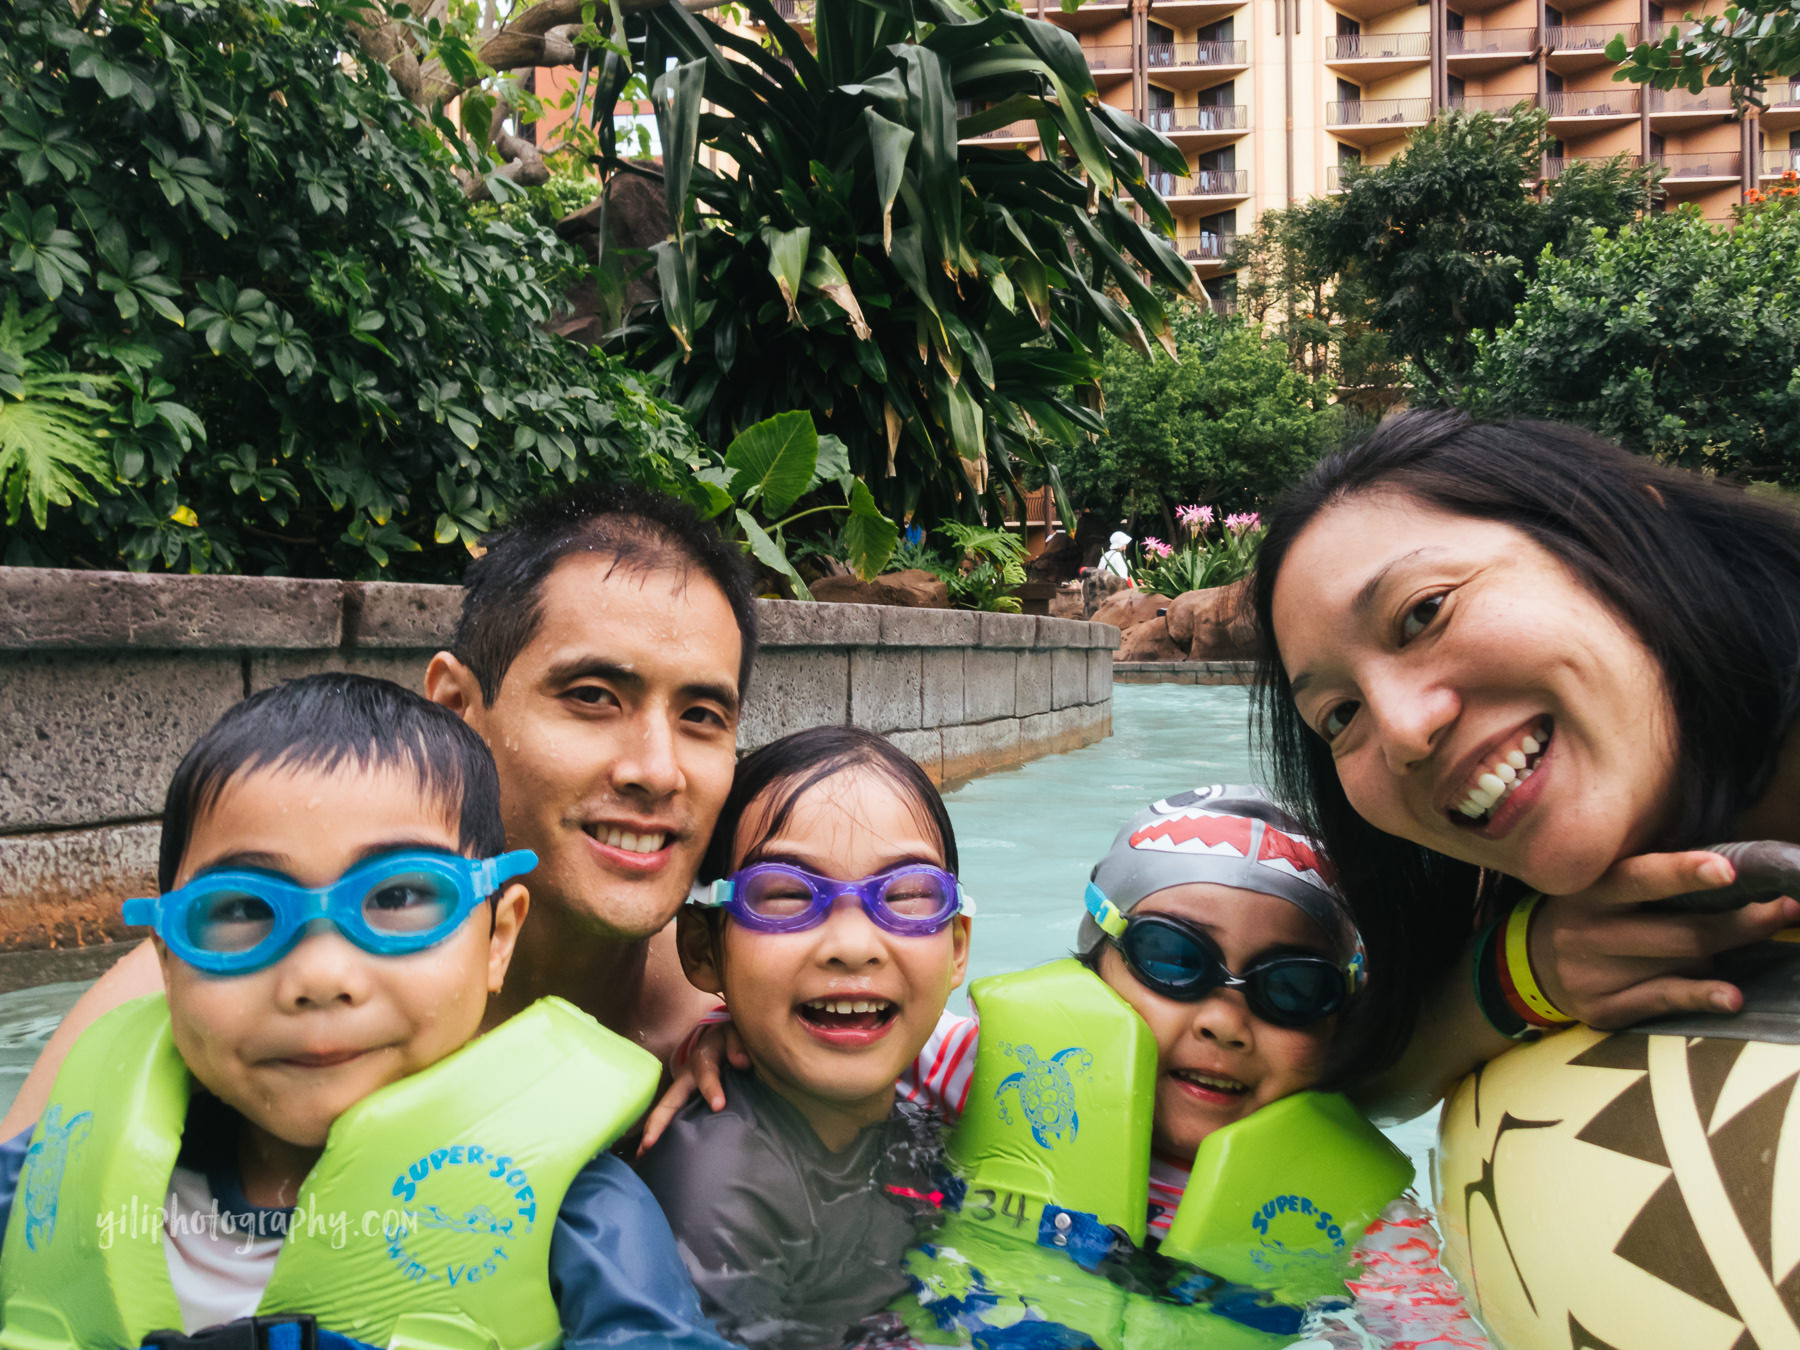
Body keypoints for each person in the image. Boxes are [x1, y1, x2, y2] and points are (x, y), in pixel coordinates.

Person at [1, 485, 758, 1139]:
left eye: (701, 716)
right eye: (592, 697)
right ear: (459, 709)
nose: (657, 771)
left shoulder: (753, 1011)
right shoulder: (238, 975)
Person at [0, 674, 734, 1348]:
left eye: (399, 898)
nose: (319, 977)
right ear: (167, 959)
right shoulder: (52, 1171)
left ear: (497, 938)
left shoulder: (574, 1217)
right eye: (242, 910)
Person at [1248, 410, 1800, 1113]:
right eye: (1340, 715)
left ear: (1630, 531)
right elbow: (1376, 1080)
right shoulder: (1514, 899)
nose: (1403, 731)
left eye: (1424, 612)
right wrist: (1526, 970)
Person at [635, 726, 973, 1350]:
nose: (852, 947)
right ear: (703, 949)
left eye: (905, 896)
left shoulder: (945, 1096)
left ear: (957, 949)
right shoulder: (719, 1185)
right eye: (787, 896)